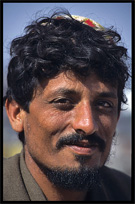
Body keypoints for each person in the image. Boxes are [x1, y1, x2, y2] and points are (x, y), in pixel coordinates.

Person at [3, 10, 131, 201]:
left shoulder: (125, 191)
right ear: (17, 114)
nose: (87, 125)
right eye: (63, 102)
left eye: (104, 104)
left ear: (117, 117)